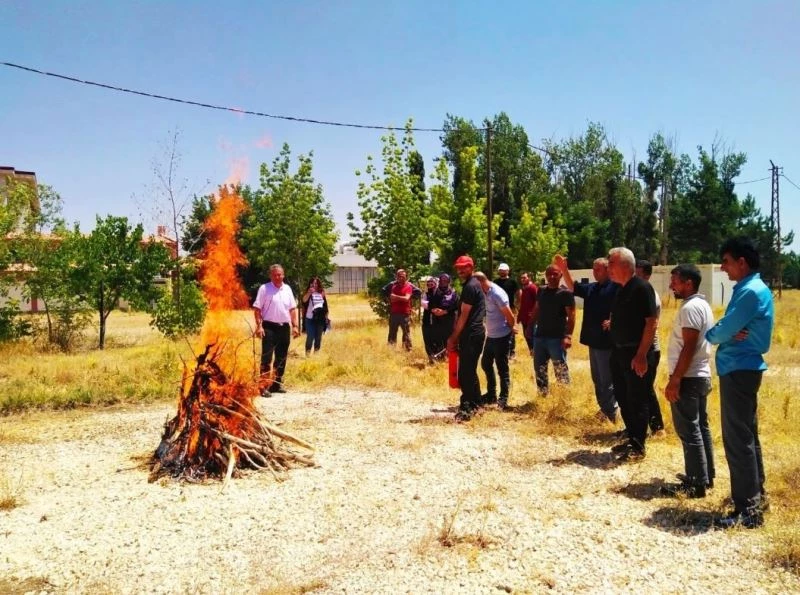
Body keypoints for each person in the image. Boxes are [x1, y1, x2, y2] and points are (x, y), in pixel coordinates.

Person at [706, 237, 774, 529]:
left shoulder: (749, 292)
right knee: (747, 435)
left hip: (739, 369)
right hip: (744, 368)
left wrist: (719, 333)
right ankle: (757, 497)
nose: (723, 268)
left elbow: (720, 332)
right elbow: (731, 328)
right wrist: (728, 330)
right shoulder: (753, 288)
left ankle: (747, 509)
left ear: (742, 262)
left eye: (726, 261)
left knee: (737, 439)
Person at [660, 264, 715, 499]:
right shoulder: (702, 305)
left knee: (689, 430)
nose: (672, 285)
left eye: (675, 281)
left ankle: (695, 483)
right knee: (700, 427)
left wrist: (675, 380)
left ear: (688, 283)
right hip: (700, 375)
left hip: (689, 377)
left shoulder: (691, 308)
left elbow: (689, 345)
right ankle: (705, 475)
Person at [553, 255, 619, 423]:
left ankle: (612, 412)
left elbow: (626, 308)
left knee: (607, 379)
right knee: (597, 379)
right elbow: (573, 287)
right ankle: (603, 409)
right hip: (593, 341)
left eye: (597, 269)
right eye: (593, 268)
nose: (594, 272)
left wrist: (615, 320)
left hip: (607, 342)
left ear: (607, 270)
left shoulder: (616, 287)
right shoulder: (592, 288)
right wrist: (564, 269)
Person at [607, 247, 658, 462]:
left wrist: (641, 355)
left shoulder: (642, 288)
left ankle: (639, 447)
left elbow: (651, 322)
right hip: (619, 353)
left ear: (624, 265)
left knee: (637, 399)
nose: (608, 268)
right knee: (623, 396)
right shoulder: (621, 289)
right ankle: (632, 436)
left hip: (636, 353)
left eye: (611, 263)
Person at [446, 255, 486, 422]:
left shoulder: (470, 286)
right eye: (459, 267)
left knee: (465, 373)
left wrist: (453, 338)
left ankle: (467, 408)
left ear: (472, 267)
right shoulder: (473, 284)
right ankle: (477, 404)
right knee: (469, 371)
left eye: (464, 267)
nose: (461, 270)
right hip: (474, 334)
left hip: (471, 334)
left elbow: (463, 315)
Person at [253, 264, 300, 395]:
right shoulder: (264, 289)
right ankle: (263, 387)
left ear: (283, 275)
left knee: (281, 358)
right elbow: (257, 309)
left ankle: (276, 384)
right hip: (269, 327)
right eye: (275, 275)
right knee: (267, 358)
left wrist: (295, 326)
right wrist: (259, 326)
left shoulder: (287, 289)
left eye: (280, 274)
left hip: (284, 327)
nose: (278, 277)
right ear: (270, 276)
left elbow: (292, 309)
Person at [530, 264, 575, 395]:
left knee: (560, 369)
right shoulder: (541, 290)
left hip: (557, 339)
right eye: (549, 274)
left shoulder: (565, 293)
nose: (552, 276)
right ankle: (543, 395)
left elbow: (572, 316)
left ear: (561, 275)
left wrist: (568, 336)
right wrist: (530, 326)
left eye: (555, 274)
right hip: (540, 337)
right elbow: (537, 309)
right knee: (539, 369)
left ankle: (563, 398)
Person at [475, 272, 517, 409]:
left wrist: (512, 330)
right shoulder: (484, 292)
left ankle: (503, 399)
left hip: (502, 336)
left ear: (480, 282)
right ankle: (491, 395)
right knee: (486, 363)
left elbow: (510, 315)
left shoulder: (497, 293)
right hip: (491, 335)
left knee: (502, 368)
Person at [635, 260, 666, 436]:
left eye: (638, 274)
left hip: (649, 350)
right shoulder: (637, 293)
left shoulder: (649, 295)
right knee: (638, 389)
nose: (635, 277)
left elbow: (650, 325)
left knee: (646, 388)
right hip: (640, 349)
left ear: (647, 275)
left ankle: (657, 427)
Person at [429, 273, 459, 361]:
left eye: (446, 280)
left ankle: (450, 359)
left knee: (449, 339)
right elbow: (430, 304)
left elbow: (456, 306)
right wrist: (434, 310)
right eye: (442, 280)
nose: (443, 282)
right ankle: (439, 359)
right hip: (437, 319)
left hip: (449, 320)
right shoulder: (435, 292)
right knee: (438, 338)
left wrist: (444, 312)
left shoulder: (453, 292)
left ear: (449, 281)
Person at [494, 263, 521, 359]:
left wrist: (518, 304)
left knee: (511, 329)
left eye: (504, 270)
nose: (502, 272)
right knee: (498, 329)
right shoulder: (495, 282)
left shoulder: (512, 282)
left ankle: (512, 352)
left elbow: (518, 293)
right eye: (501, 270)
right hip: (498, 309)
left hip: (510, 308)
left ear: (508, 271)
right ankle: (500, 351)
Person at [301, 276, 329, 356]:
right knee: (310, 336)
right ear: (310, 284)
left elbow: (325, 306)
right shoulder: (308, 293)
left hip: (320, 319)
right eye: (312, 283)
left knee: (318, 337)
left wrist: (326, 318)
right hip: (309, 318)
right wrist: (309, 292)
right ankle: (308, 353)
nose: (314, 285)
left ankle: (316, 354)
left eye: (316, 283)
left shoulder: (321, 293)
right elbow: (303, 301)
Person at [387, 269, 413, 350]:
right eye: (399, 276)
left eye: (402, 276)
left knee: (406, 332)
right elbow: (392, 298)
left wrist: (397, 297)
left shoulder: (408, 287)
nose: (401, 278)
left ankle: (407, 349)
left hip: (404, 314)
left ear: (406, 277)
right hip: (394, 313)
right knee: (392, 332)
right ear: (396, 277)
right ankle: (391, 349)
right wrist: (401, 298)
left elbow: (407, 298)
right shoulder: (394, 286)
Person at [516, 271, 538, 354]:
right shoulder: (523, 288)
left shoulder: (533, 287)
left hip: (531, 317)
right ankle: (532, 351)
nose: (522, 279)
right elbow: (522, 304)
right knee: (526, 335)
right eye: (521, 278)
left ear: (529, 278)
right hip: (524, 317)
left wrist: (534, 313)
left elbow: (538, 301)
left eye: (524, 278)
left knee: (532, 335)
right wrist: (519, 316)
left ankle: (536, 352)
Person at [421, 276, 439, 362]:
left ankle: (438, 358)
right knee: (427, 339)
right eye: (428, 283)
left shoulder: (440, 293)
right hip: (427, 320)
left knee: (436, 339)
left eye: (432, 282)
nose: (430, 284)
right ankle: (431, 358)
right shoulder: (426, 294)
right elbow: (425, 305)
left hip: (437, 321)